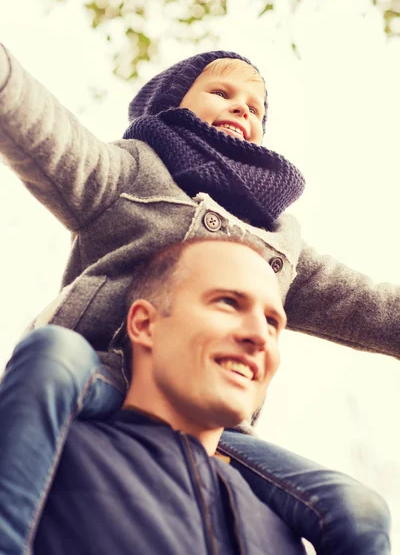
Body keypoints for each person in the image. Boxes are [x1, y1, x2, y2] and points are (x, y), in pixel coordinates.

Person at [0, 44, 392, 554]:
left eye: (255, 107)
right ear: (170, 106)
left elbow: (368, 305)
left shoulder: (278, 242)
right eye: (222, 91)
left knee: (359, 509)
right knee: (51, 354)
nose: (242, 109)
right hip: (99, 376)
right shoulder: (128, 175)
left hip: (218, 424)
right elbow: (40, 124)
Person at [33, 237, 309, 554]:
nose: (260, 336)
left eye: (273, 323)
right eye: (229, 303)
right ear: (145, 324)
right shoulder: (49, 457)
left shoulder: (285, 533)